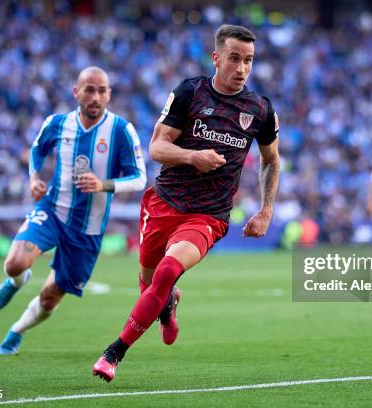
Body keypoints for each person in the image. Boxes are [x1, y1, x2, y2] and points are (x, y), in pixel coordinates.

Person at [92, 24, 281, 382]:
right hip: (163, 204)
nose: (241, 68)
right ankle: (167, 306)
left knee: (166, 271)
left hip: (208, 216)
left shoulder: (260, 110)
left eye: (249, 61)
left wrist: (266, 209)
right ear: (216, 58)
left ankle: (113, 353)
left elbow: (271, 160)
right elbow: (157, 147)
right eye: (234, 59)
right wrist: (193, 157)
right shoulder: (189, 92)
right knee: (150, 284)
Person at [0, 66, 147, 355]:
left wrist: (104, 184)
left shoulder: (121, 130)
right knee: (15, 263)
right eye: (89, 89)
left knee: (51, 298)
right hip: (52, 209)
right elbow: (37, 150)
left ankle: (17, 331)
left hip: (87, 229)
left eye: (102, 90)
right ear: (76, 92)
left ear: (109, 95)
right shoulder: (58, 123)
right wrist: (34, 178)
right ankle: (17, 279)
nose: (95, 96)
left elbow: (139, 177)